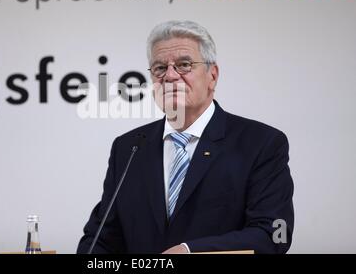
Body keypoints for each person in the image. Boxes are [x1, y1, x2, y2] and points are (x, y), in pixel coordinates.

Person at [77, 20, 294, 254]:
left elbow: (274, 234)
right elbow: (100, 238)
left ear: (212, 75)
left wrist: (189, 251)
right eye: (160, 68)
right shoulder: (129, 148)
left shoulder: (261, 143)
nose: (170, 76)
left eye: (184, 65)